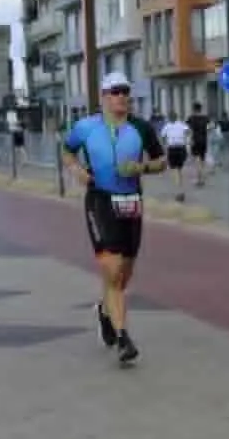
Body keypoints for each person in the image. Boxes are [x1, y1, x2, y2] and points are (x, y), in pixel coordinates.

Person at [63, 72, 165, 367]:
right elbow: (67, 151)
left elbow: (161, 161)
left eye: (125, 92)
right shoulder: (86, 127)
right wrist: (77, 171)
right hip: (100, 200)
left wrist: (141, 168)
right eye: (116, 92)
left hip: (131, 201)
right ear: (104, 96)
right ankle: (123, 338)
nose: (122, 97)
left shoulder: (141, 128)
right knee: (113, 268)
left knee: (125, 272)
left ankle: (105, 310)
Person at [160, 113, 191, 202]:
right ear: (177, 117)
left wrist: (164, 146)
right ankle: (181, 188)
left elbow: (162, 137)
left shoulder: (167, 126)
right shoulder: (181, 124)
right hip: (181, 148)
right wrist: (186, 140)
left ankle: (180, 192)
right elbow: (188, 132)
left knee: (175, 171)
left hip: (172, 149)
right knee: (179, 170)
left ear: (169, 118)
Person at [187, 102, 211, 189]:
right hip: (204, 140)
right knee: (202, 159)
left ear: (194, 109)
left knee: (197, 159)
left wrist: (190, 140)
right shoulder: (206, 118)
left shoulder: (191, 118)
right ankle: (202, 178)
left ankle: (198, 179)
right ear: (201, 109)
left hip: (195, 140)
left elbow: (189, 130)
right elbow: (210, 127)